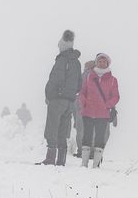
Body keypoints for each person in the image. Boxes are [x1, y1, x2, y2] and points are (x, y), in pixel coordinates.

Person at [38, 29, 81, 166]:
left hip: (57, 99)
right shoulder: (77, 62)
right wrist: (71, 93)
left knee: (52, 127)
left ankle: (50, 158)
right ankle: (61, 160)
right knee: (63, 129)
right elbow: (79, 83)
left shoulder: (62, 60)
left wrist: (49, 95)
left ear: (62, 46)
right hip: (70, 101)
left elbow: (55, 79)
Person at [78, 52, 120, 168]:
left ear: (107, 63)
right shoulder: (89, 77)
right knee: (86, 136)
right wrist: (84, 103)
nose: (102, 63)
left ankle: (96, 165)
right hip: (88, 111)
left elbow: (116, 96)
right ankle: (84, 163)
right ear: (96, 63)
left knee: (100, 138)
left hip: (103, 114)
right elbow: (82, 92)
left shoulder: (112, 80)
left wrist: (107, 105)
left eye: (104, 62)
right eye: (100, 61)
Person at [71, 60, 94, 157]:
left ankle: (81, 151)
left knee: (80, 130)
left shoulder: (82, 76)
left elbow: (76, 89)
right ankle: (91, 153)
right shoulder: (97, 76)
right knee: (91, 131)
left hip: (80, 105)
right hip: (92, 107)